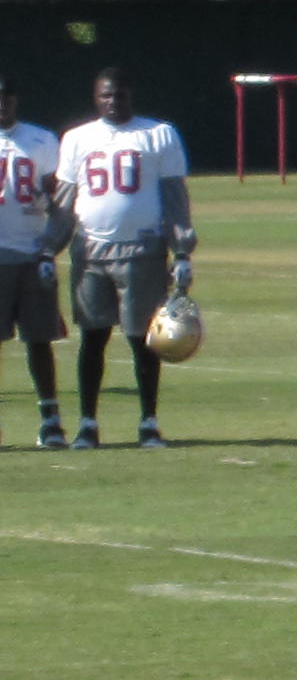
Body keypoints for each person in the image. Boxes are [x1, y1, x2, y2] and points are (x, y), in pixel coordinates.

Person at [51, 70, 192, 451]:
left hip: (142, 248)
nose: (114, 102)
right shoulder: (77, 138)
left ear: (132, 95)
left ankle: (148, 422)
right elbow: (64, 204)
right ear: (96, 97)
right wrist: (49, 250)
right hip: (91, 250)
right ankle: (87, 424)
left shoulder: (158, 133)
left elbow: (175, 199)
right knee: (93, 338)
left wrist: (182, 251)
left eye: (120, 95)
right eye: (106, 96)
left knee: (142, 339)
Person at [0, 76, 66, 446]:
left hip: (30, 251)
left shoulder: (40, 140)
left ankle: (51, 419)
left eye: (6, 98)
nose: (1, 105)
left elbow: (59, 199)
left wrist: (49, 247)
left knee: (39, 339)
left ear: (15, 101)